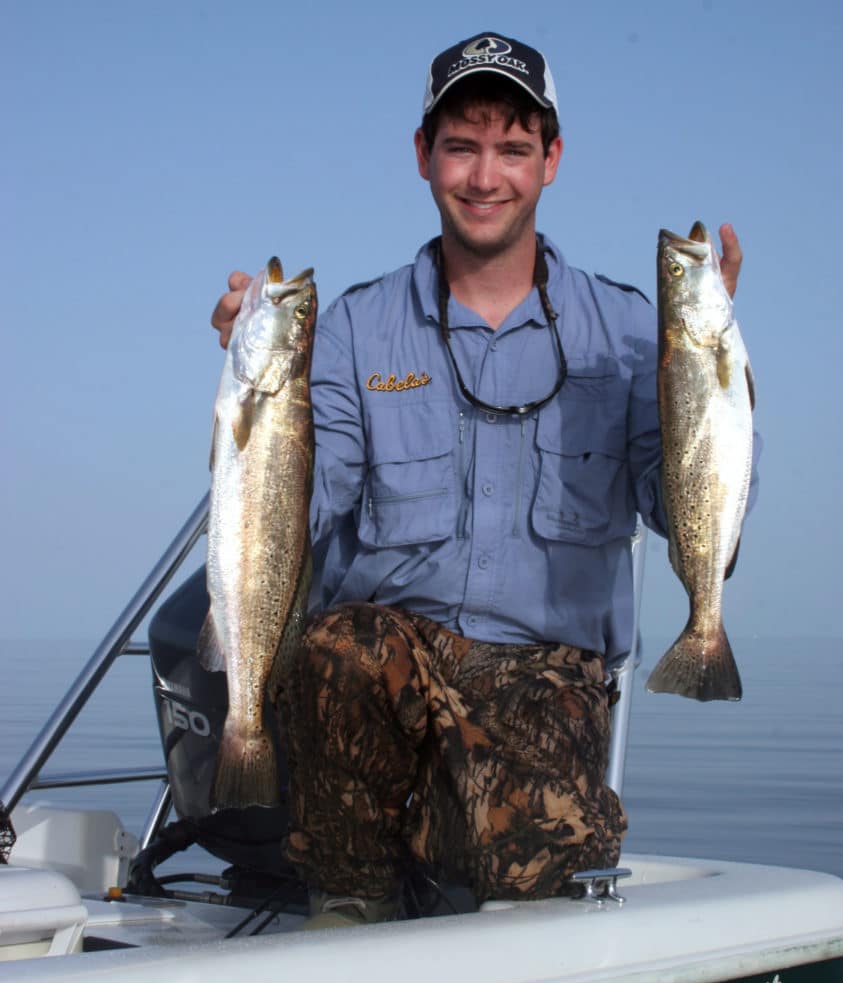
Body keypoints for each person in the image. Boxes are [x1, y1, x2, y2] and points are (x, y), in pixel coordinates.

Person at [210, 31, 749, 928]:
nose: (484, 175)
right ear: (424, 157)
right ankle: (350, 899)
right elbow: (306, 507)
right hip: (388, 658)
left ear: (551, 160)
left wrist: (702, 371)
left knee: (534, 860)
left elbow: (674, 502)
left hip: (546, 672)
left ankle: (442, 845)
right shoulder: (350, 328)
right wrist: (257, 391)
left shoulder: (627, 330)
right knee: (338, 648)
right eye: (461, 146)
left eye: (511, 148)